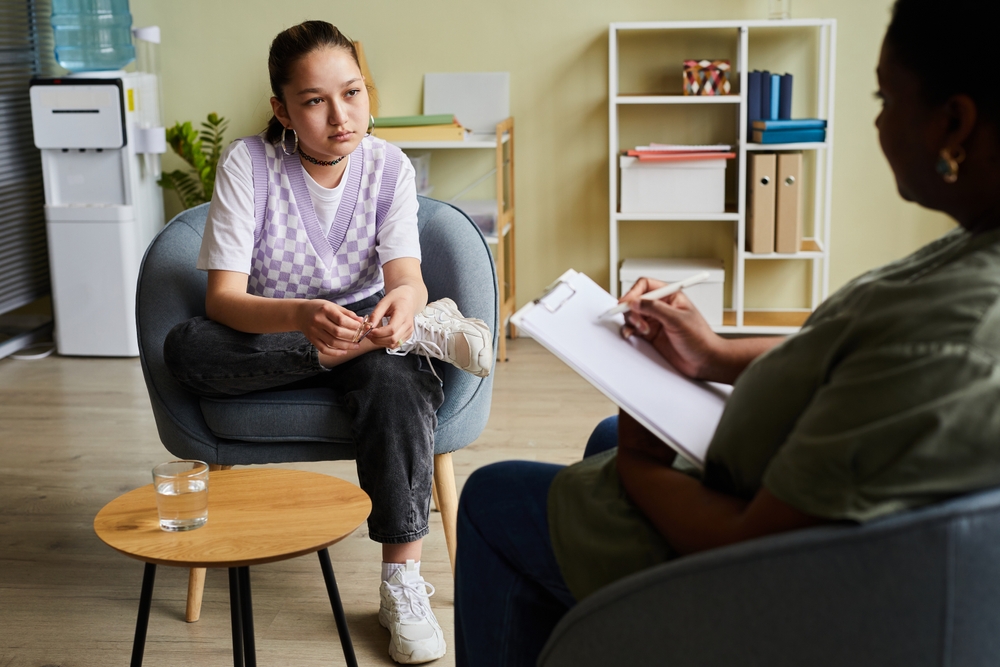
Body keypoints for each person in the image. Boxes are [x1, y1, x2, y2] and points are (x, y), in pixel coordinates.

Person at [454, 0, 1000, 664]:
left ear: (957, 122)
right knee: (600, 437)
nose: (879, 116)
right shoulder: (976, 249)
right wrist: (712, 353)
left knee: (491, 495)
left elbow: (754, 548)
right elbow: (851, 358)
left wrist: (643, 464)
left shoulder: (957, 335)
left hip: (754, 581)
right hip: (775, 486)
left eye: (886, 95)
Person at [163, 20, 489, 664]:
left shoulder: (387, 165)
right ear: (282, 109)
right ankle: (408, 341)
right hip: (278, 340)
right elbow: (223, 301)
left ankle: (402, 582)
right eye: (314, 101)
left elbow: (407, 278)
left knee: (396, 382)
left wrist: (406, 305)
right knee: (187, 349)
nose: (341, 116)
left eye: (353, 92)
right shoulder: (248, 164)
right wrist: (304, 321)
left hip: (365, 336)